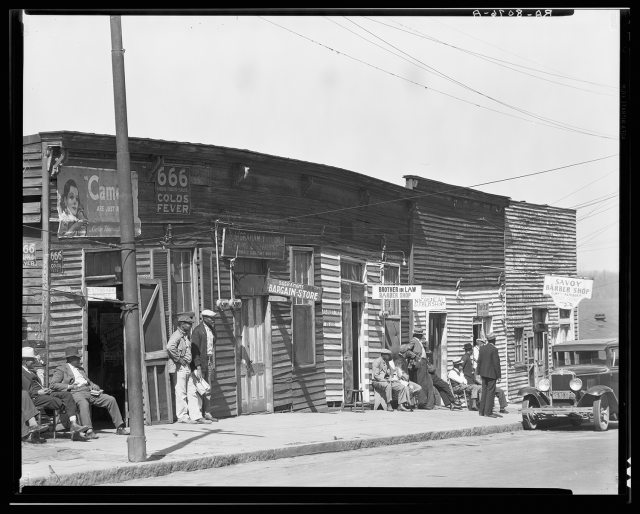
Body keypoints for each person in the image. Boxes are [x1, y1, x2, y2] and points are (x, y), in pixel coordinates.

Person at [49, 346, 129, 438]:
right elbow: (53, 385)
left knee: (110, 399)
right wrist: (70, 386)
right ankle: (89, 430)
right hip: (75, 392)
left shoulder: (81, 369)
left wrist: (93, 385)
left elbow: (87, 381)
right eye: (77, 357)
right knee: (83, 403)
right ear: (70, 358)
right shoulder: (62, 369)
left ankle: (120, 427)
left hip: (88, 391)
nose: (79, 359)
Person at [21, 347, 90, 441]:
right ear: (25, 360)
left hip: (43, 394)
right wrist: (38, 392)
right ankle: (70, 419)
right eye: (32, 360)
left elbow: (38, 384)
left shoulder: (32, 371)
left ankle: (73, 424)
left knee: (67, 395)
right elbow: (23, 392)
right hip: (33, 397)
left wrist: (44, 389)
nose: (34, 361)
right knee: (63, 402)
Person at [167, 314, 212, 424]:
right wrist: (178, 359)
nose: (190, 325)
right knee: (181, 392)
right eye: (188, 323)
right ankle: (182, 417)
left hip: (187, 367)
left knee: (192, 391)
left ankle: (196, 416)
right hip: (180, 368)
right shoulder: (177, 335)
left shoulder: (186, 335)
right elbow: (170, 347)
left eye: (191, 323)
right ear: (182, 324)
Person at [190, 309, 218, 422]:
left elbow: (213, 342)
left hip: (209, 361)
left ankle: (207, 413)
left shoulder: (211, 330)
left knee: (207, 388)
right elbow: (195, 350)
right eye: (210, 318)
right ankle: (198, 415)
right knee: (199, 388)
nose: (212, 320)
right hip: (200, 363)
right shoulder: (197, 331)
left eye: (213, 318)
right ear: (204, 318)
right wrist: (198, 366)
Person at [399, 328, 435, 410]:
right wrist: (414, 356)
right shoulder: (414, 341)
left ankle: (428, 403)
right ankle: (421, 403)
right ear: (418, 334)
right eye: (421, 334)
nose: (422, 335)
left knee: (427, 383)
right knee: (422, 383)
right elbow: (406, 350)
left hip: (424, 362)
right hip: (419, 362)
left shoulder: (419, 341)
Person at [476, 332, 502, 418]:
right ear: (494, 339)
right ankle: (488, 412)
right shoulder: (494, 349)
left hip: (483, 373)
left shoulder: (482, 348)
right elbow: (496, 363)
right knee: (490, 392)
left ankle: (481, 411)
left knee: (484, 392)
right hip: (491, 374)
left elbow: (479, 361)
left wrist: (478, 373)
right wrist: (498, 376)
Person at [461, 342, 481, 410]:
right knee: (476, 387)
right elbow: (461, 367)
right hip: (467, 378)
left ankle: (477, 405)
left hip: (470, 378)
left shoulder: (468, 357)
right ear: (470, 350)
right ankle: (473, 405)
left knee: (479, 387)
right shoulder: (465, 357)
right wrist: (462, 378)